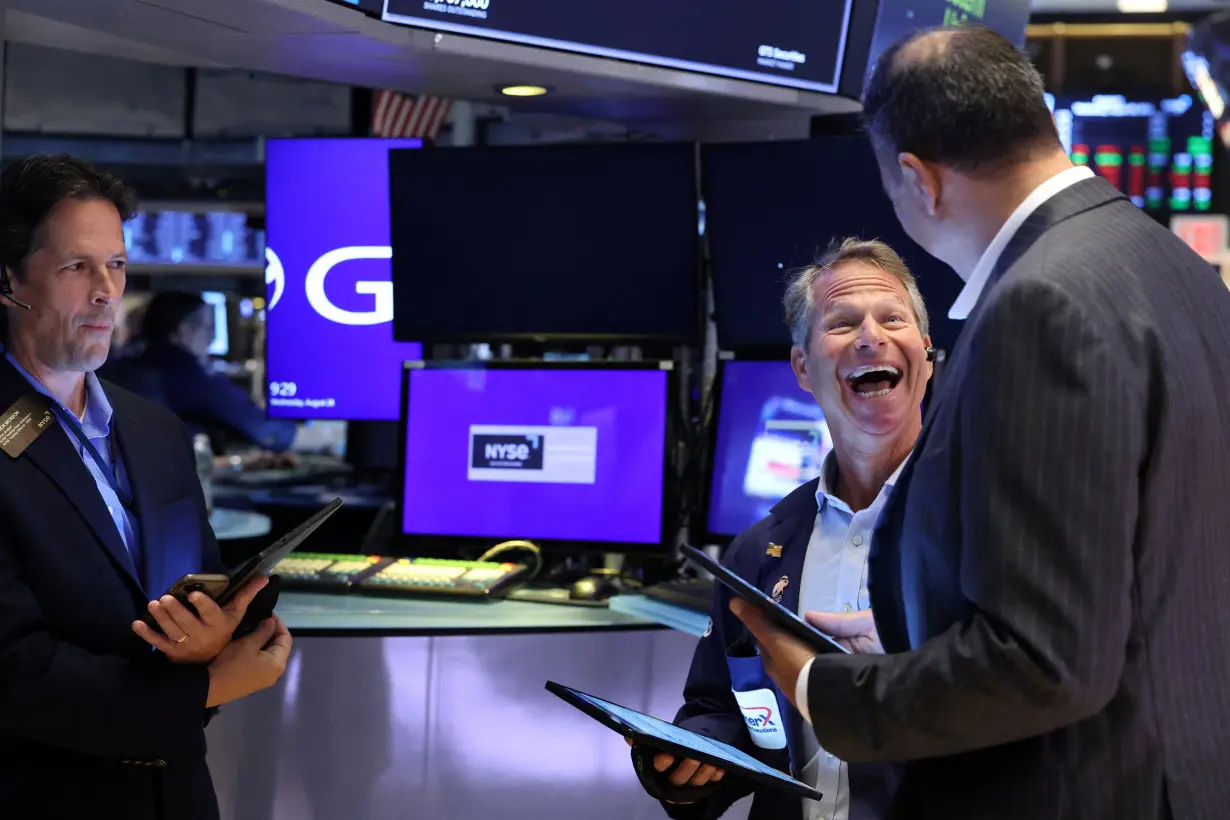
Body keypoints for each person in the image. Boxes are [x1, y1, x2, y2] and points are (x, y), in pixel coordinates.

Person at [730, 25, 1230, 818]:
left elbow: (1045, 662)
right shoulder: (1177, 272)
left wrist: (824, 687)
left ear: (916, 180)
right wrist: (913, 635)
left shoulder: (1039, 304)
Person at [0, 154, 293, 820]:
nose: (107, 290)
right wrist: (208, 685)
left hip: (177, 796)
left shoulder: (154, 429)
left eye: (118, 265)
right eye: (77, 267)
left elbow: (205, 577)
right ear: (9, 278)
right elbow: (14, 671)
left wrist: (228, 625)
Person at [634, 239, 932, 820]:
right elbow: (726, 707)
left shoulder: (990, 525)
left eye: (892, 317)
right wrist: (690, 756)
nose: (870, 336)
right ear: (802, 367)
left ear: (925, 352)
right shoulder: (756, 553)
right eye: (843, 323)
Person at [102, 290, 297, 454]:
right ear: (184, 330)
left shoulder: (120, 360)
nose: (211, 339)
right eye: (207, 328)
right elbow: (266, 431)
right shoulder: (179, 369)